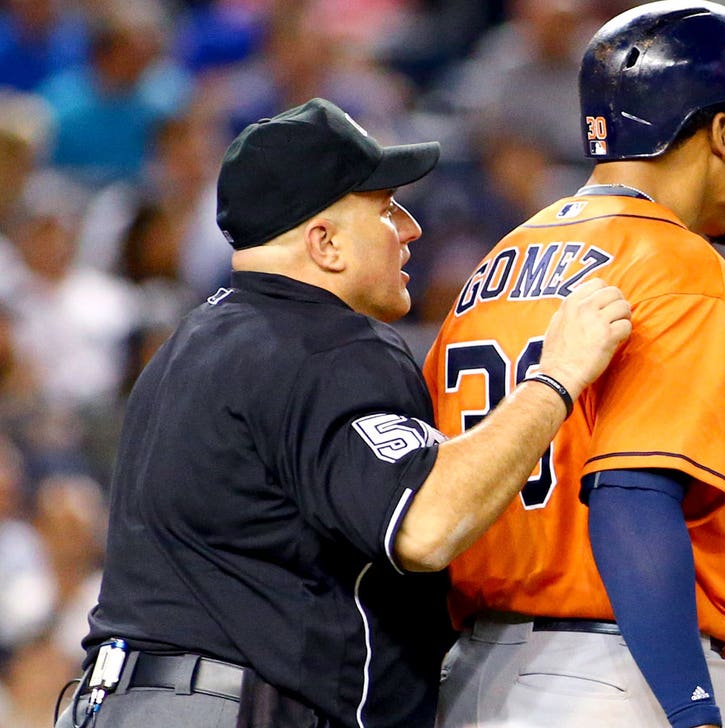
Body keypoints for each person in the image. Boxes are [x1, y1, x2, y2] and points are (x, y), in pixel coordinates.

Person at [54, 97, 631, 728]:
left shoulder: (188, 346)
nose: (410, 228)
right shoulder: (326, 346)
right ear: (324, 242)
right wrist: (557, 377)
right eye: (385, 209)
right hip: (233, 706)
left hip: (121, 700)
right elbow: (425, 525)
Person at [423, 2, 725, 727]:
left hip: (473, 673)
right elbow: (633, 496)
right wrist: (693, 711)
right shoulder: (676, 262)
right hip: (614, 671)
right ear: (719, 133)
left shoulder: (494, 263)